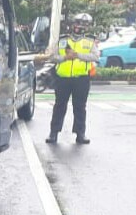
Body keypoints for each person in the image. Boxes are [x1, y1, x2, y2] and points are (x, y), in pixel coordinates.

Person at [42, 13, 99, 145]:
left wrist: (78, 55)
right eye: (78, 23)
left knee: (80, 107)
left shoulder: (90, 41)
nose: (80, 27)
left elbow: (95, 57)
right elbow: (52, 56)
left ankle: (80, 134)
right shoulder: (63, 40)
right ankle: (53, 133)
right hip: (63, 79)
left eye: (85, 25)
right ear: (73, 24)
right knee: (59, 106)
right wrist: (64, 58)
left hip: (81, 79)